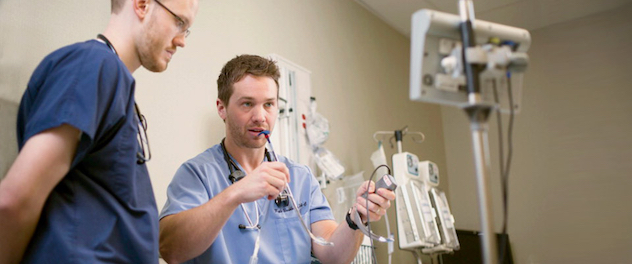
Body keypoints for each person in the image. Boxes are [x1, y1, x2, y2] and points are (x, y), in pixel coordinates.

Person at [0, 0, 199, 263]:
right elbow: (14, 202)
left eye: (187, 30)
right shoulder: (93, 65)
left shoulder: (113, 81)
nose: (182, 40)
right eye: (179, 22)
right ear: (142, 5)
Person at [158, 54, 396, 264]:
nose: (260, 117)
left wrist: (357, 218)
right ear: (222, 108)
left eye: (269, 104)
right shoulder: (197, 174)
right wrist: (236, 193)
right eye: (247, 104)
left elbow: (333, 255)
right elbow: (170, 250)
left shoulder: (299, 178)